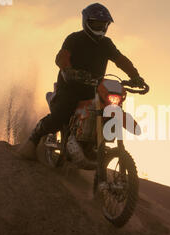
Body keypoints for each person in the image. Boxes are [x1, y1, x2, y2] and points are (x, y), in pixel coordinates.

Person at [17, 3, 146, 160]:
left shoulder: (106, 44)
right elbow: (62, 57)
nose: (100, 27)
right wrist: (68, 70)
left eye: (103, 24)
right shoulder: (74, 39)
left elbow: (121, 60)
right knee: (61, 116)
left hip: (94, 88)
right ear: (87, 22)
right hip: (70, 87)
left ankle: (90, 145)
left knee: (109, 111)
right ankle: (34, 137)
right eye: (96, 23)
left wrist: (135, 76)